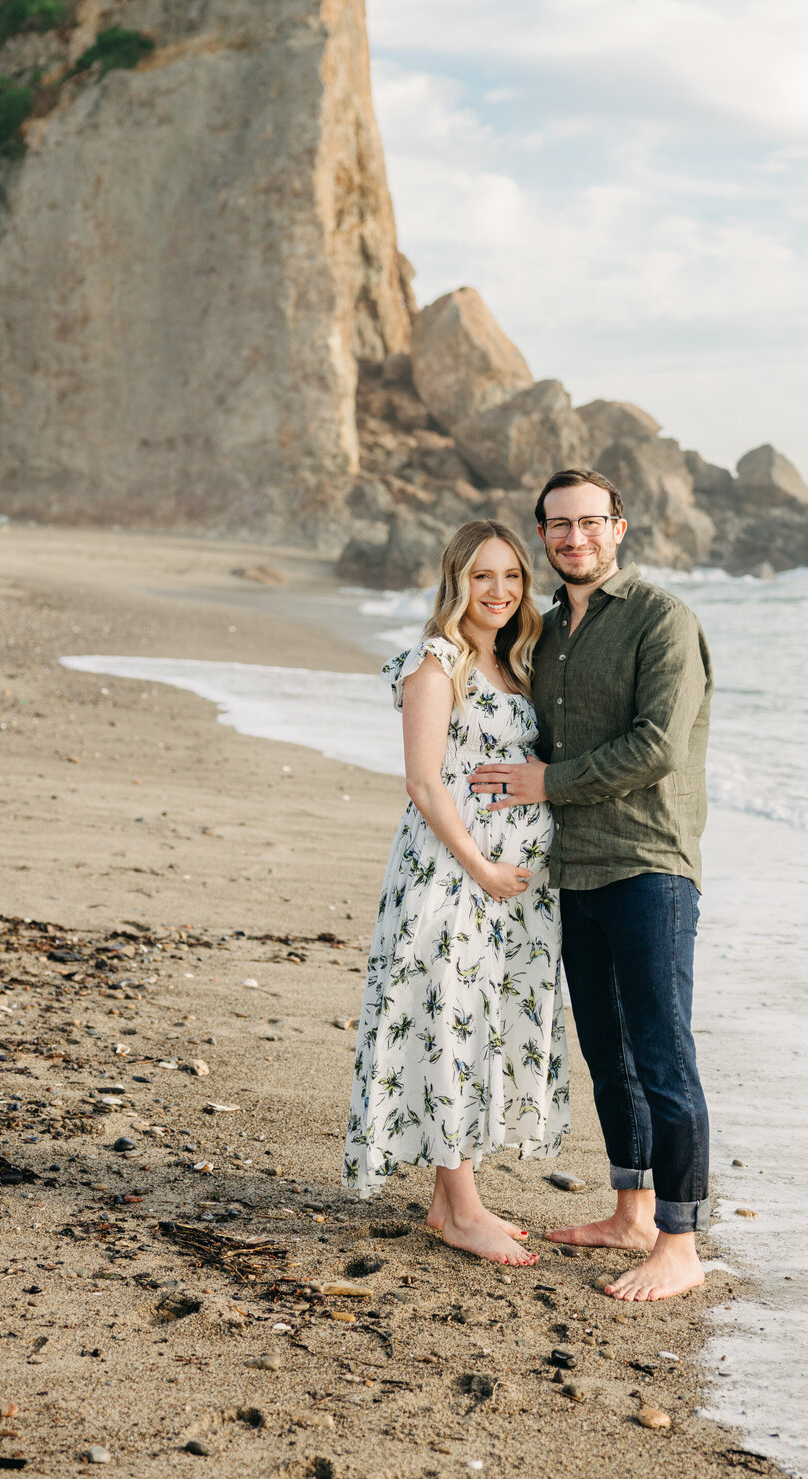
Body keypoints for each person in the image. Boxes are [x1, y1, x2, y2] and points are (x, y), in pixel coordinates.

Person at [469, 469, 713, 1302]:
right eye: (558, 526)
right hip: (574, 868)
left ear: (620, 527)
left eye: (589, 522)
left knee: (662, 1052)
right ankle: (632, 1211)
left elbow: (657, 746)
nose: (574, 537)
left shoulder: (662, 619)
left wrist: (547, 783)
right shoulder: (553, 634)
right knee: (608, 1052)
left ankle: (679, 1242)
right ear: (543, 536)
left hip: (650, 863)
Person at [342, 519, 568, 1267]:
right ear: (456, 582)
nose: (500, 590)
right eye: (483, 576)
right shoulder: (438, 662)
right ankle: (465, 1210)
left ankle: (449, 1202)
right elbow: (423, 781)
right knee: (451, 1021)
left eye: (512, 576)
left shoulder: (514, 664)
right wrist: (482, 869)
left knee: (479, 1025)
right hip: (451, 878)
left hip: (506, 894)